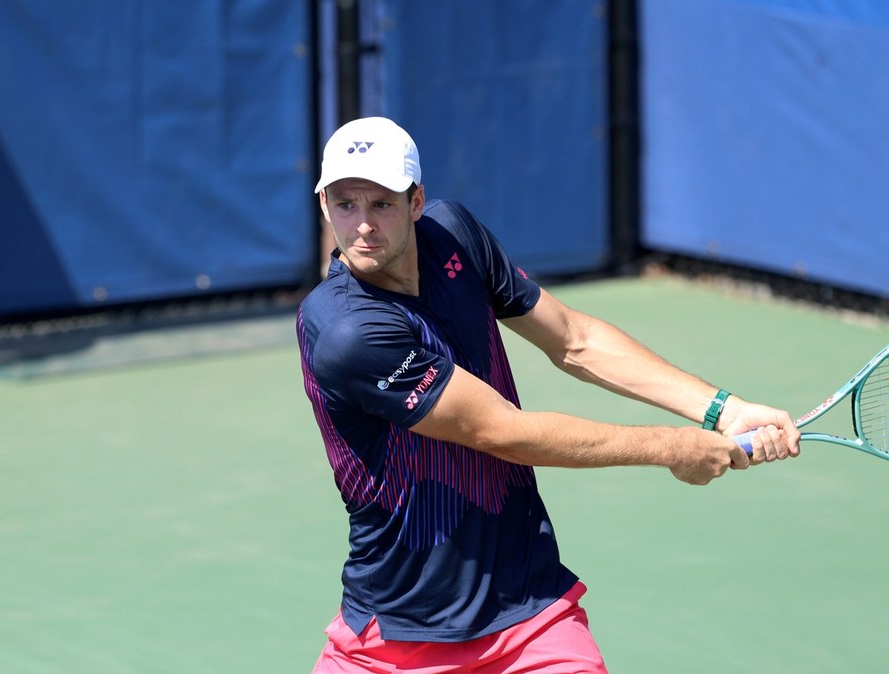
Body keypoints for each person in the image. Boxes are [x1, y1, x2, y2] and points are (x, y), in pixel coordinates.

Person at [296, 116, 800, 673]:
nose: (363, 226)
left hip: (528, 610)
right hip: (396, 642)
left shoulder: (453, 234)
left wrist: (723, 409)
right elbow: (503, 433)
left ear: (416, 202)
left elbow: (575, 340)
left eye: (382, 205)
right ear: (324, 205)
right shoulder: (349, 331)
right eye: (346, 205)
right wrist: (673, 448)